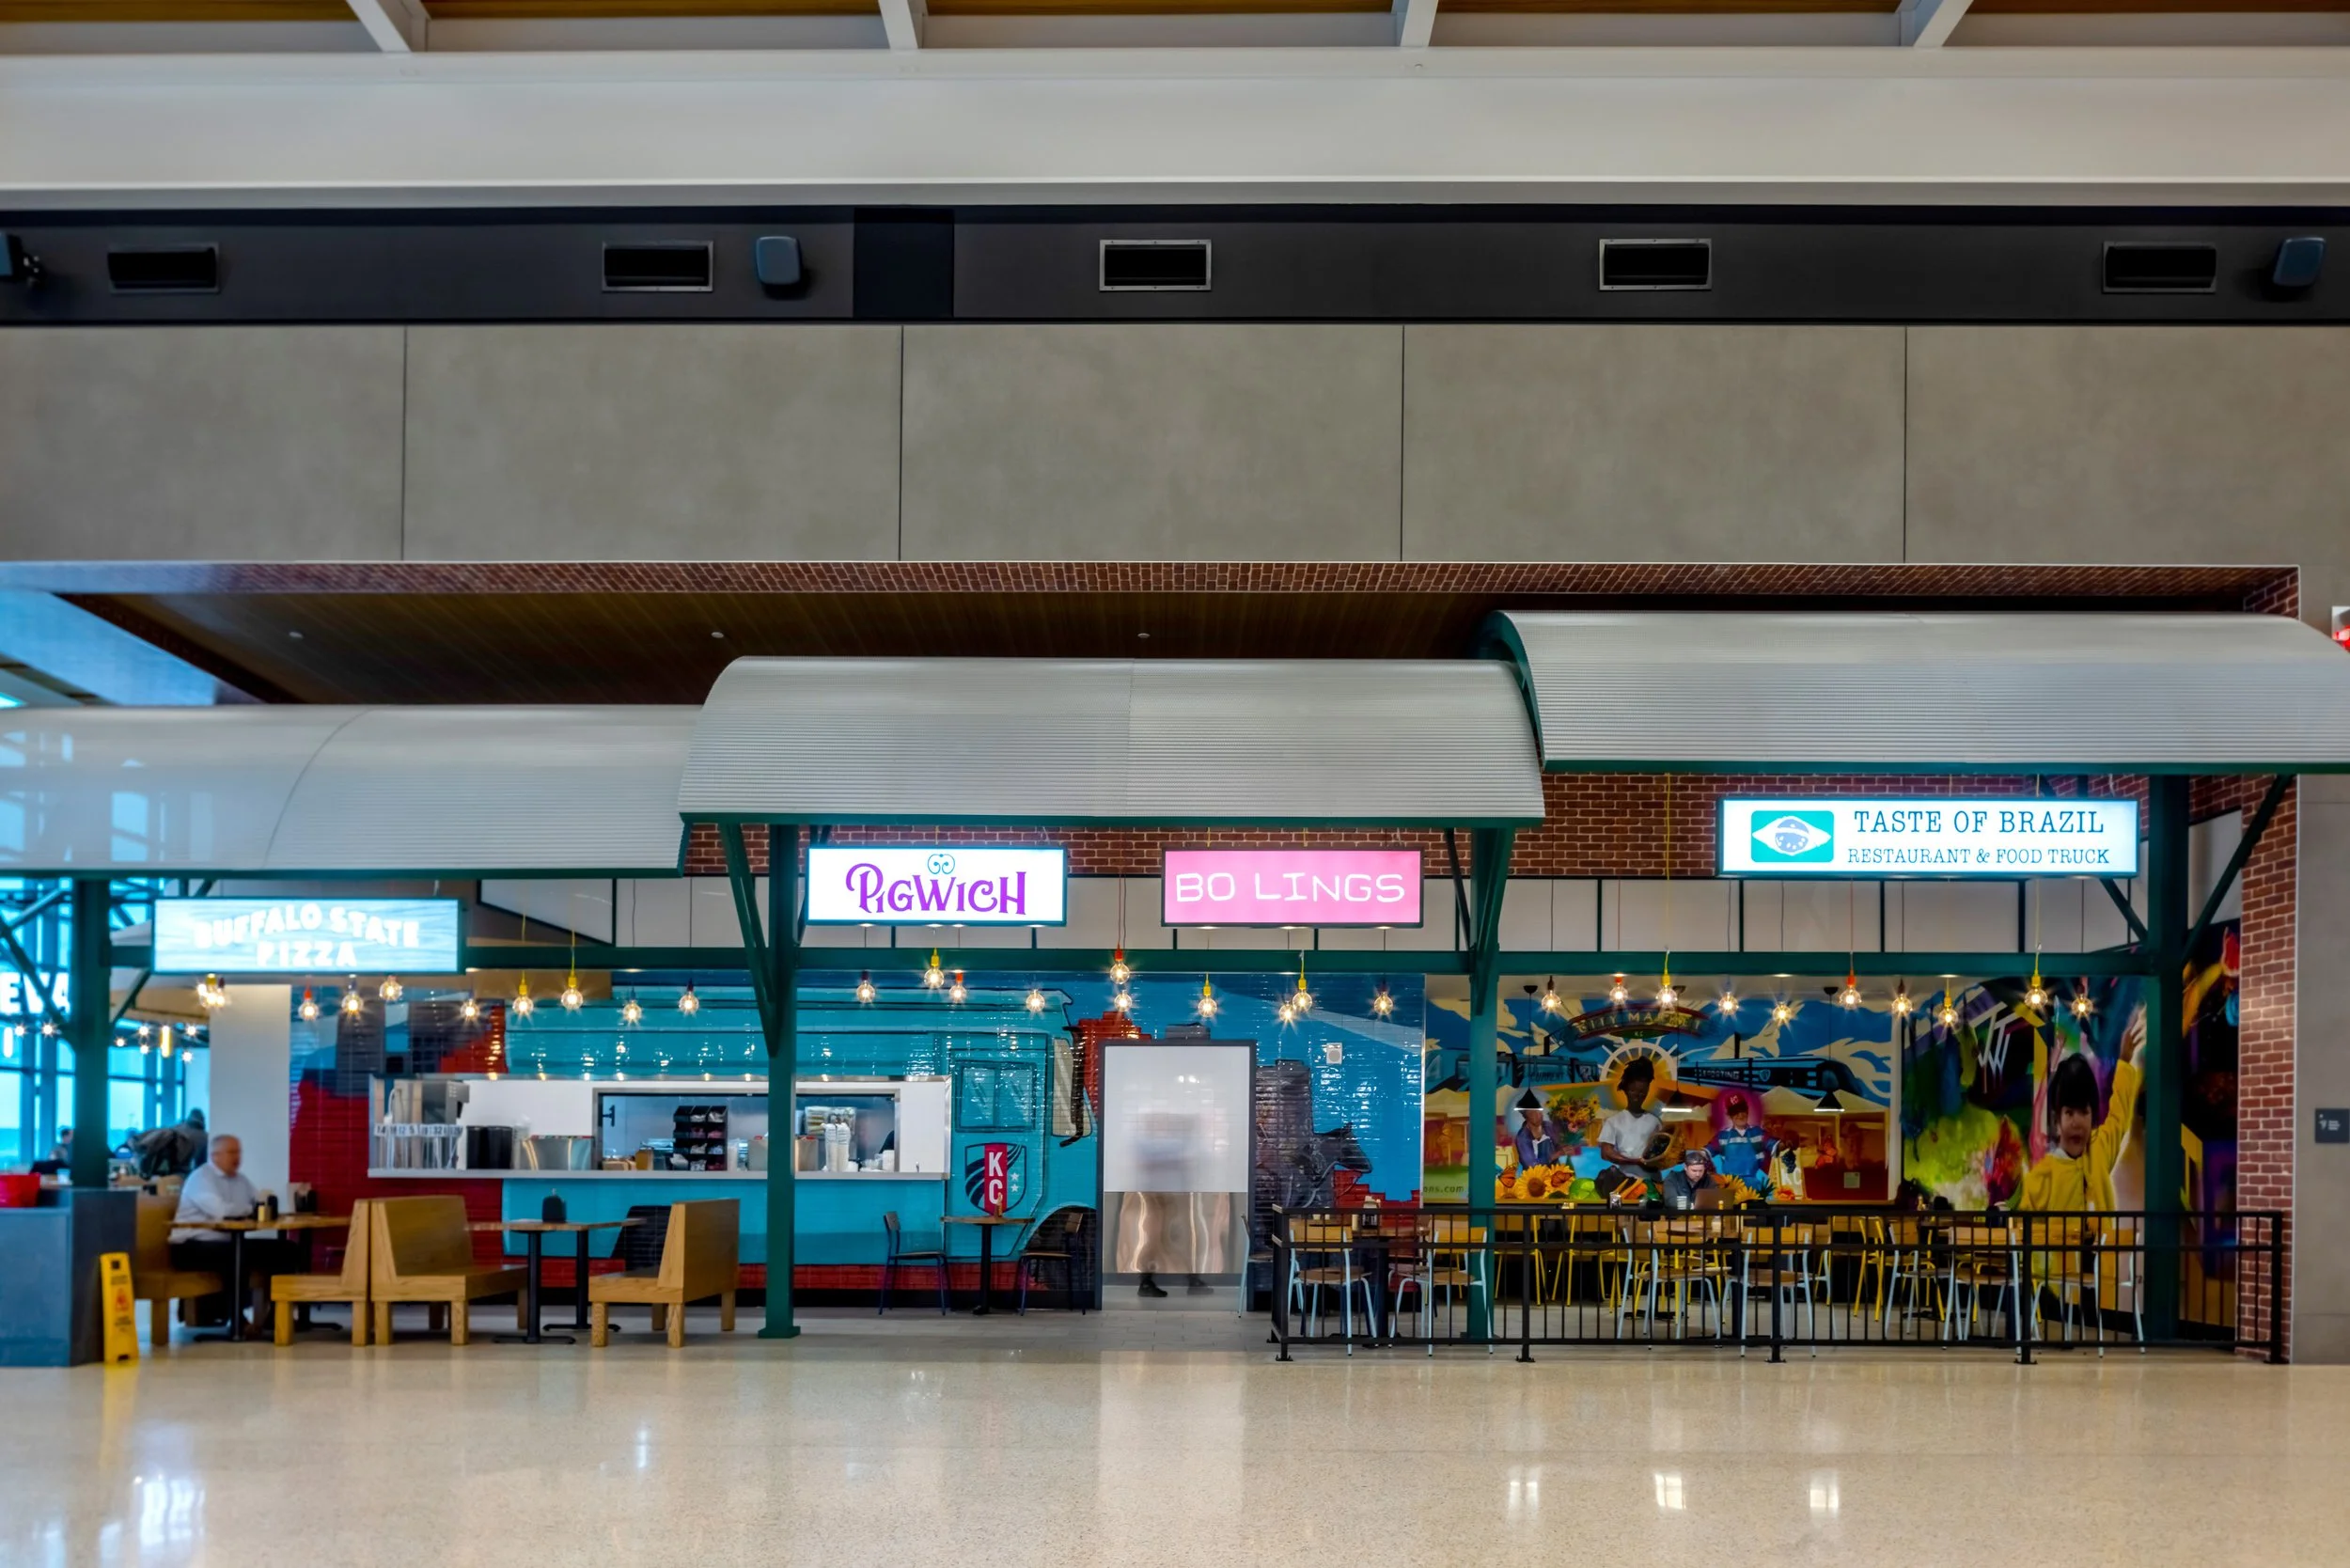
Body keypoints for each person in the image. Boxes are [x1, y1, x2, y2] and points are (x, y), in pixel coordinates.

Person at [2014, 1018, 2144, 1215]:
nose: (2077, 1122)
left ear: (2093, 1116)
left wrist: (2124, 1062)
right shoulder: (2041, 1179)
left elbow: (2119, 1116)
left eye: (2084, 1112)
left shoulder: (2100, 1150)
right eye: (2069, 1113)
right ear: (2057, 1119)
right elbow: (2024, 1236)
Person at [171, 1134, 292, 1328]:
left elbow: (258, 1201)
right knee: (237, 1255)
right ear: (215, 1155)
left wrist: (255, 1206)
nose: (237, 1157)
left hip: (224, 1242)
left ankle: (276, 1316)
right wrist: (247, 1209)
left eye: (238, 1152)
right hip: (189, 1246)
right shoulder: (201, 1178)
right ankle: (236, 1318)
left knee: (284, 1250)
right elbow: (221, 1211)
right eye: (231, 1152)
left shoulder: (240, 1180)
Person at [1598, 1057, 1669, 1194]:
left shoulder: (1655, 1122)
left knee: (1651, 1214)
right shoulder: (1613, 1121)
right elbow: (1606, 1153)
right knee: (1625, 1213)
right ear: (1625, 1090)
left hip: (1652, 1181)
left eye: (1642, 1092)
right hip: (1623, 1181)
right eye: (1633, 1091)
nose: (1637, 1096)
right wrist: (1635, 1161)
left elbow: (1664, 1151)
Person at [1712, 1095, 1773, 1183]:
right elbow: (1706, 1152)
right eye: (1735, 1112)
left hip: (1754, 1185)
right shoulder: (1722, 1136)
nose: (1740, 1115)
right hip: (1730, 1185)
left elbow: (1774, 1145)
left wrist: (1787, 1143)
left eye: (1742, 1110)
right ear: (1730, 1116)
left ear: (1747, 1111)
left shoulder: (1758, 1133)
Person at [1512, 1090, 1559, 1170]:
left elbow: (1558, 1142)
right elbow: (1531, 1164)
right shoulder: (1522, 1138)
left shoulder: (1548, 1126)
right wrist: (1555, 1155)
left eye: (1539, 1112)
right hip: (1534, 1177)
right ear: (1526, 1117)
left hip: (1555, 1172)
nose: (1539, 1116)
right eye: (1533, 1114)